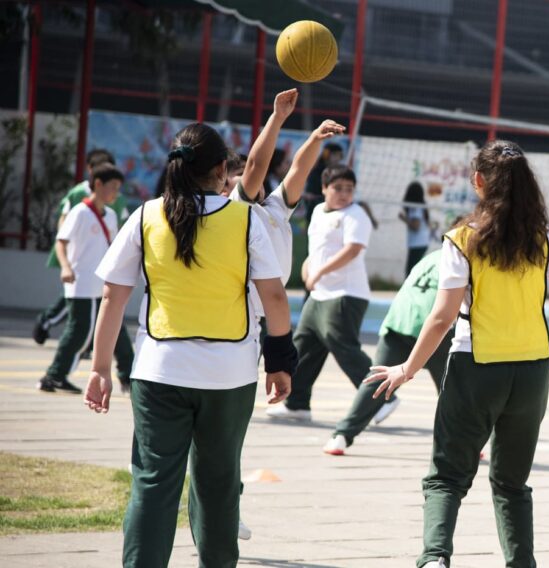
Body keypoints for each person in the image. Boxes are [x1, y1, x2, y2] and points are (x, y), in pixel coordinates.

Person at [83, 123, 297, 567]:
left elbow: (113, 295)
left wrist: (100, 368)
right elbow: (274, 298)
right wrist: (279, 361)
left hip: (159, 371)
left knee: (154, 483)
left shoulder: (145, 215)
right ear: (223, 169)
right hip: (229, 375)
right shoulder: (245, 219)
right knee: (218, 483)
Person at [364, 140, 549, 568]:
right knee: (512, 483)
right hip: (533, 370)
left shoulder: (462, 239)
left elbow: (442, 316)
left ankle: (435, 558)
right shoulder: (543, 239)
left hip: (477, 366)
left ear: (479, 182)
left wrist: (408, 368)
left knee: (447, 474)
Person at [267, 164, 374, 421]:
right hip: (319, 295)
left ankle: (381, 398)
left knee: (344, 348)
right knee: (303, 347)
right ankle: (297, 404)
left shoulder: (355, 214)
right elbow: (317, 248)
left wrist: (319, 272)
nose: (344, 193)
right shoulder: (318, 212)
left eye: (349, 189)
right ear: (324, 188)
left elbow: (352, 249)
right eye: (338, 188)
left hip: (344, 294)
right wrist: (307, 267)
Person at [324, 247, 453, 455]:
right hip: (433, 328)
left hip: (399, 322)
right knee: (453, 391)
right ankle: (462, 445)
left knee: (378, 380)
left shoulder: (430, 258)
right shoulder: (464, 260)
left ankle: (341, 435)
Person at [38, 164, 135, 394]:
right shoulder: (79, 212)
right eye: (113, 187)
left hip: (101, 285)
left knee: (117, 332)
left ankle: (128, 378)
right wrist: (65, 267)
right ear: (98, 184)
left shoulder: (110, 215)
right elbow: (61, 242)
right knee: (79, 331)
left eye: (118, 189)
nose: (115, 193)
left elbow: (111, 246)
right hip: (80, 283)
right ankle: (54, 376)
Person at [33, 149, 127, 345]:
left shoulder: (115, 198)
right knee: (77, 303)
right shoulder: (79, 194)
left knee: (91, 307)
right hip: (80, 257)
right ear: (91, 171)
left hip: (100, 259)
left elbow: (120, 225)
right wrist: (67, 257)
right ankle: (47, 323)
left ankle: (89, 345)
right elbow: (64, 221)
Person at [401, 181, 432, 275]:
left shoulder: (415, 208)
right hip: (421, 242)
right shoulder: (420, 207)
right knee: (413, 269)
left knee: (410, 271)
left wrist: (404, 219)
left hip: (418, 243)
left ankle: (409, 289)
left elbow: (416, 226)